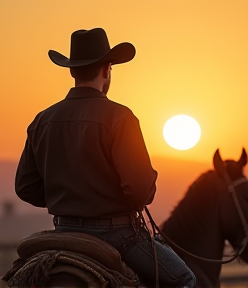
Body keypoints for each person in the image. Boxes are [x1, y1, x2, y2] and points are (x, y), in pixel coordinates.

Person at [15, 27, 196, 287]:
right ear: (106, 69)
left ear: (72, 70)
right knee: (184, 280)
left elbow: (25, 188)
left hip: (62, 229)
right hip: (117, 234)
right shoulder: (120, 118)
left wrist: (67, 198)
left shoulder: (41, 121)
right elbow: (138, 191)